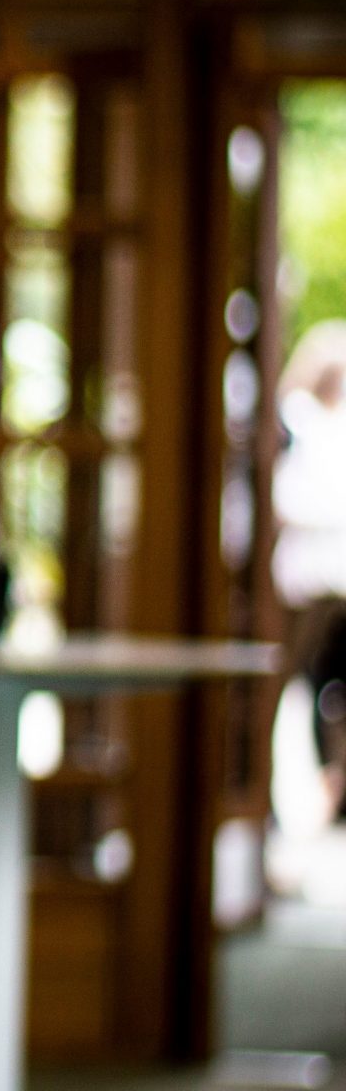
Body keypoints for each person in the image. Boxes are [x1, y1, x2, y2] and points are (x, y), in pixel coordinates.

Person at [275, 321, 346, 816]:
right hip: (309, 583)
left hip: (330, 579)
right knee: (301, 682)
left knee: (325, 686)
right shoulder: (297, 426)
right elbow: (290, 499)